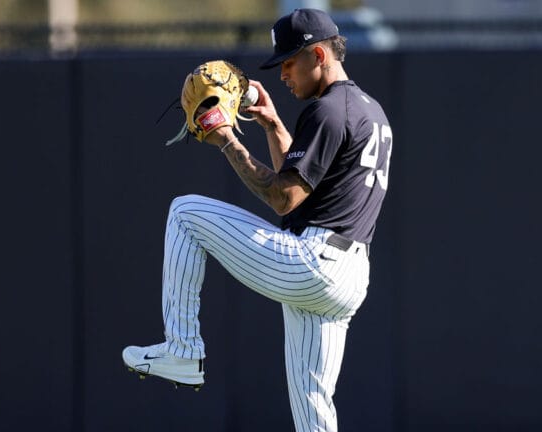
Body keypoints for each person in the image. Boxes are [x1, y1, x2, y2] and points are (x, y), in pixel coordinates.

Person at [122, 8, 393, 432]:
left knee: (186, 213)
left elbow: (285, 198)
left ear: (319, 54)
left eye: (288, 61)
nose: (283, 74)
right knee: (313, 412)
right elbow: (305, 186)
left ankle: (182, 349)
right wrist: (272, 124)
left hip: (314, 263)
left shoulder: (328, 110)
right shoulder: (367, 108)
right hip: (349, 273)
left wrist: (226, 137)